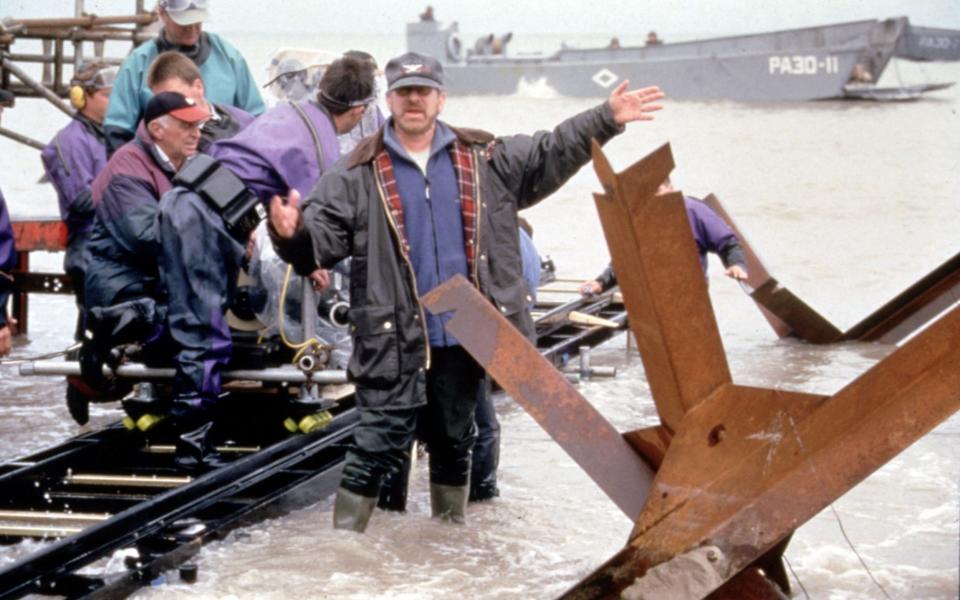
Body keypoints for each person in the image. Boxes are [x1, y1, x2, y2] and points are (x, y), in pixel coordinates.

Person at [268, 51, 663, 532]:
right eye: (404, 92)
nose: (414, 101)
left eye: (423, 92)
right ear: (388, 99)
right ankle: (347, 554)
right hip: (393, 337)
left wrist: (605, 118)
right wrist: (291, 236)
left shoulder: (485, 158)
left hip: (464, 333)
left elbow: (550, 151)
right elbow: (320, 243)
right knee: (377, 442)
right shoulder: (356, 172)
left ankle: (448, 541)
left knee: (457, 440)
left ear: (441, 98)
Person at [79, 91, 210, 431]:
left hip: (156, 280)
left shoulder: (184, 162)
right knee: (191, 325)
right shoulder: (127, 166)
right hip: (121, 284)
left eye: (198, 124)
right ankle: (96, 356)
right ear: (156, 129)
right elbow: (149, 238)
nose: (195, 132)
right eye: (185, 125)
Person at [103, 0, 264, 153]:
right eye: (184, 22)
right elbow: (118, 131)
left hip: (225, 163)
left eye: (197, 22)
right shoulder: (138, 63)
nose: (192, 28)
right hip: (162, 167)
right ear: (162, 14)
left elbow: (257, 118)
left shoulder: (228, 56)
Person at [41, 62, 117, 345]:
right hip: (88, 249)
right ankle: (80, 385)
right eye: (107, 95)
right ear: (81, 97)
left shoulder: (112, 136)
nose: (114, 101)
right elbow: (81, 201)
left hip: (115, 245)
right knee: (93, 330)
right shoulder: (68, 141)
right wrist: (122, 176)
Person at [579, 178, 748, 296]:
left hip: (691, 291)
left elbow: (727, 242)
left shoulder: (693, 210)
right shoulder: (642, 216)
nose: (654, 199)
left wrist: (736, 264)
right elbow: (624, 260)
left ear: (671, 188)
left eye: (658, 190)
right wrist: (600, 283)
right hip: (652, 291)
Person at [146, 50, 255, 149]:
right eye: (161, 101)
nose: (169, 106)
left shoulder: (246, 122)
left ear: (198, 87)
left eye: (175, 95)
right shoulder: (162, 140)